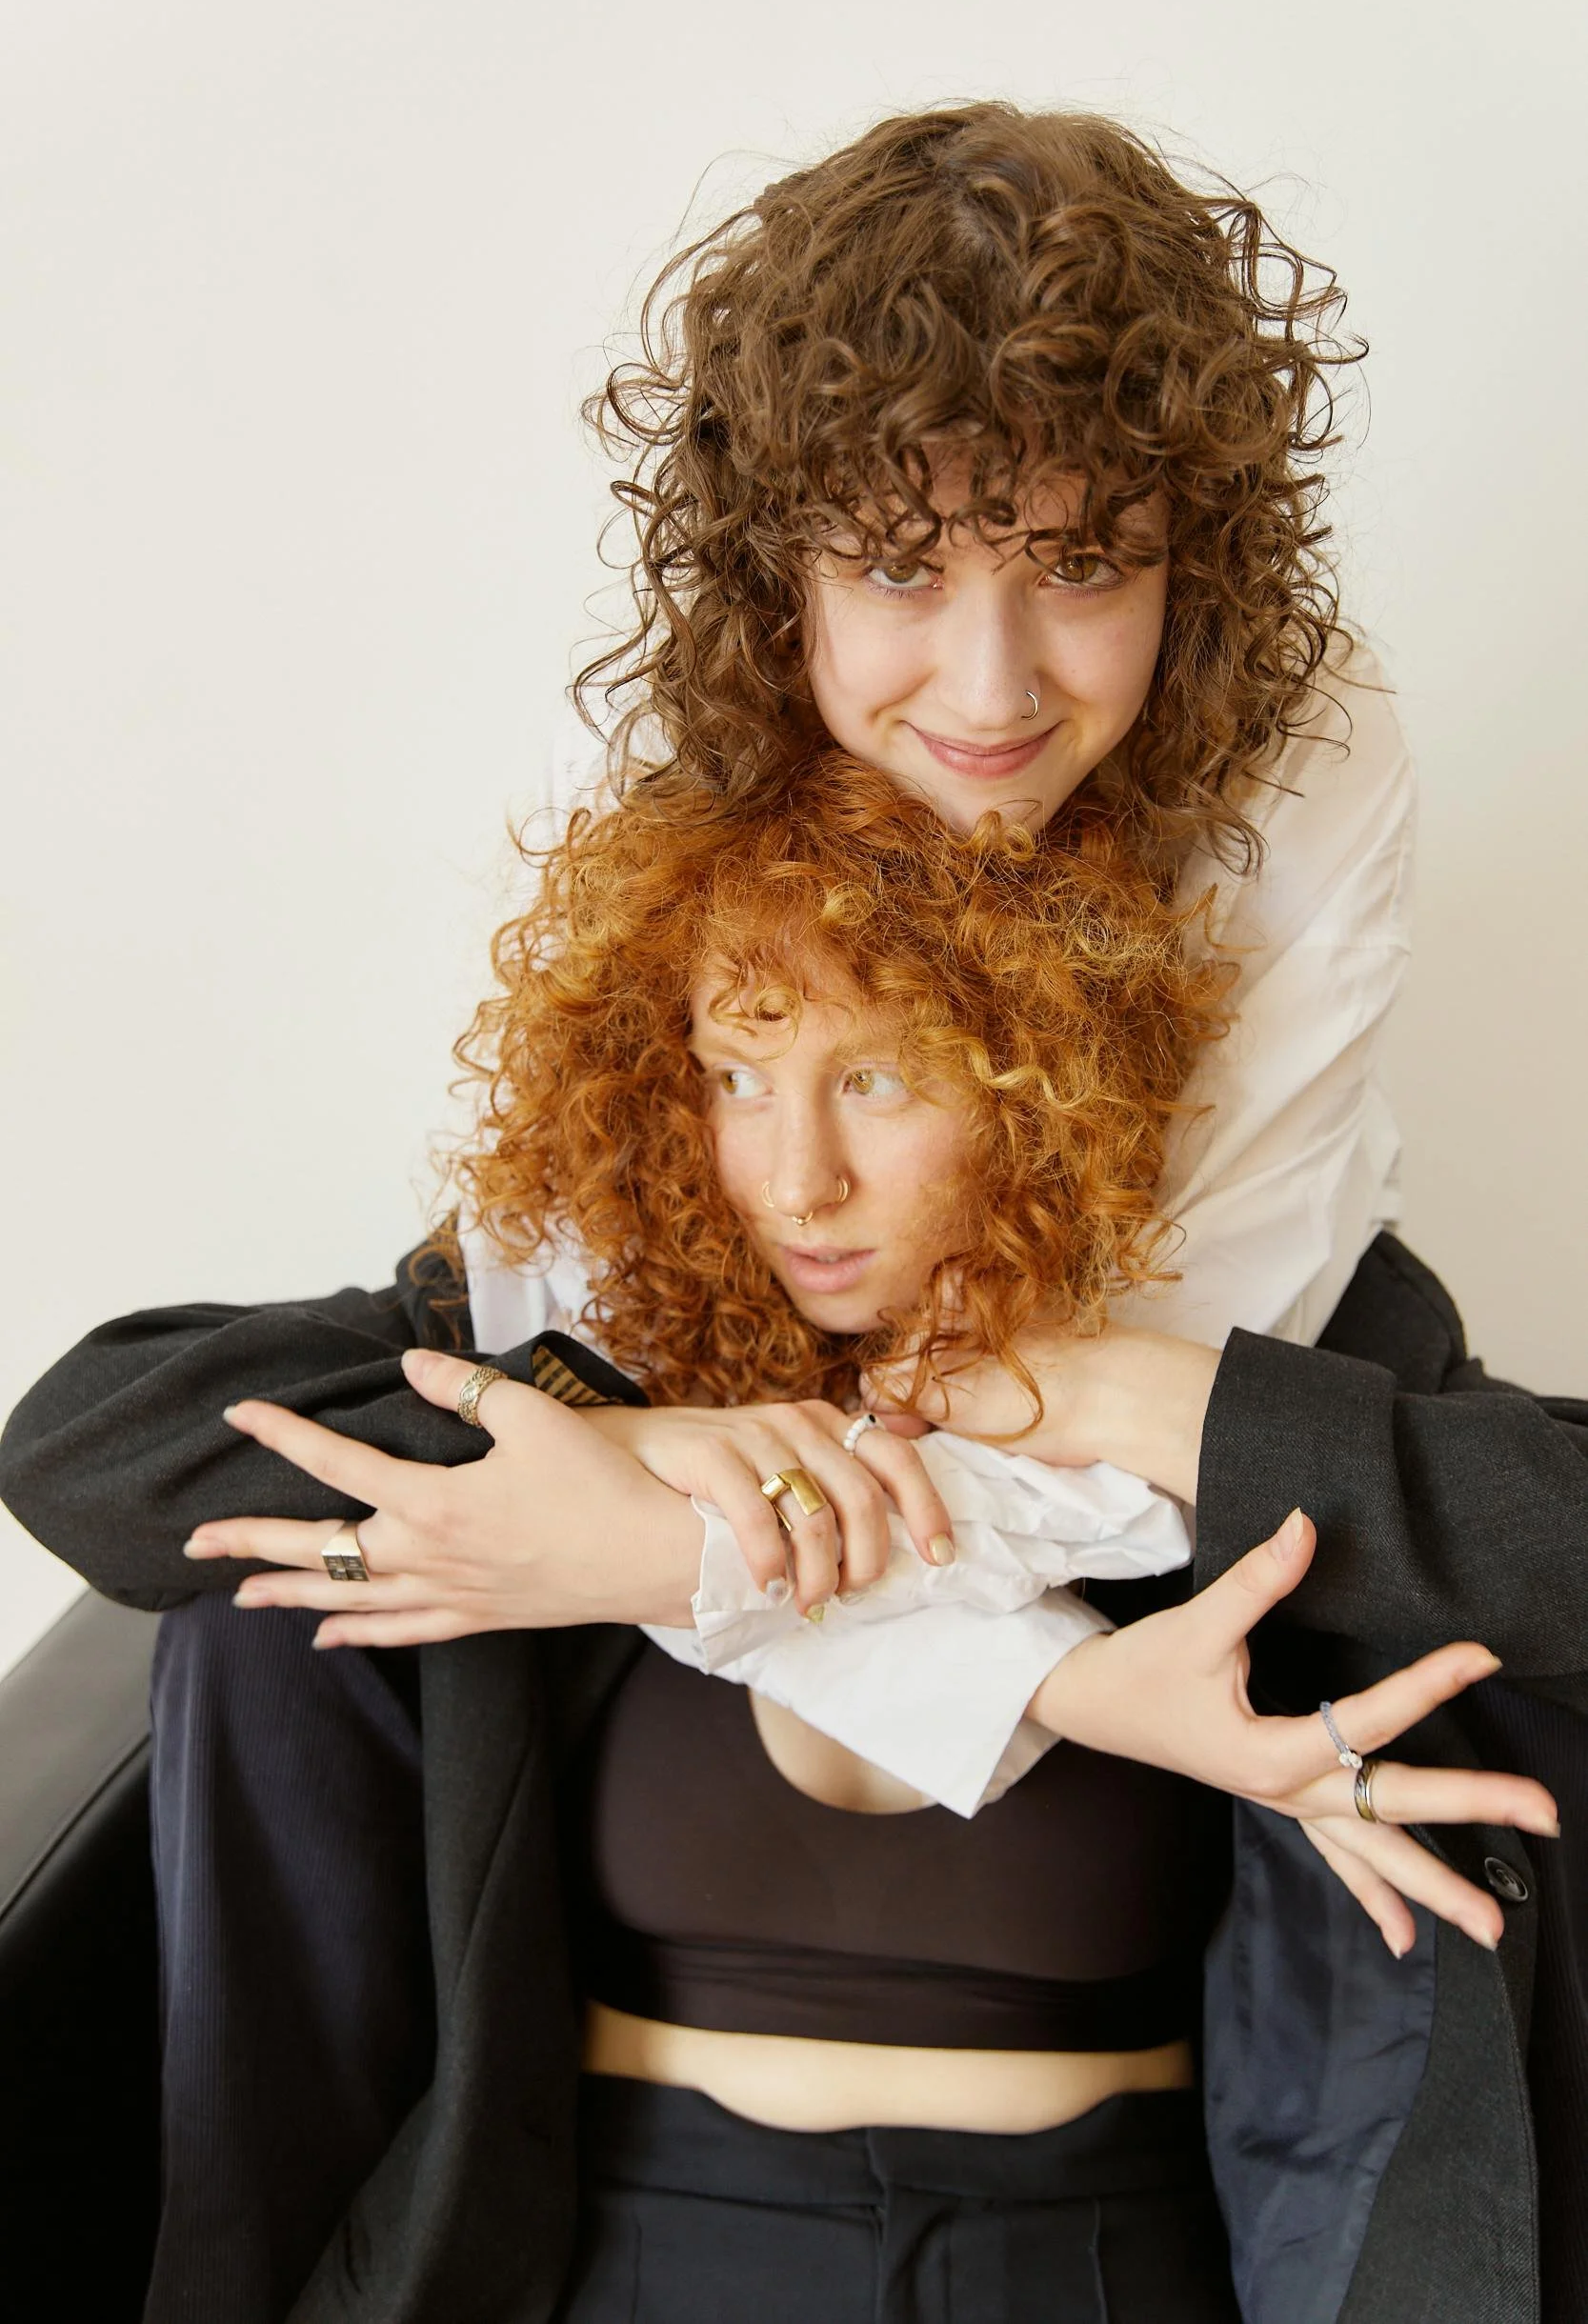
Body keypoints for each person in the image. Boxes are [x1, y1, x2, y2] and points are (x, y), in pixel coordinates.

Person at [0, 769, 1562, 2324]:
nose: (797, 1177)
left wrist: (1160, 1404)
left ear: (1046, 1084)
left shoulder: (1249, 1365)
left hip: (1096, 2265)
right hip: (608, 2260)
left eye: (879, 1080)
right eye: (736, 1076)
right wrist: (622, 1453)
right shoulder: (583, 1359)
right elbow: (81, 1447)